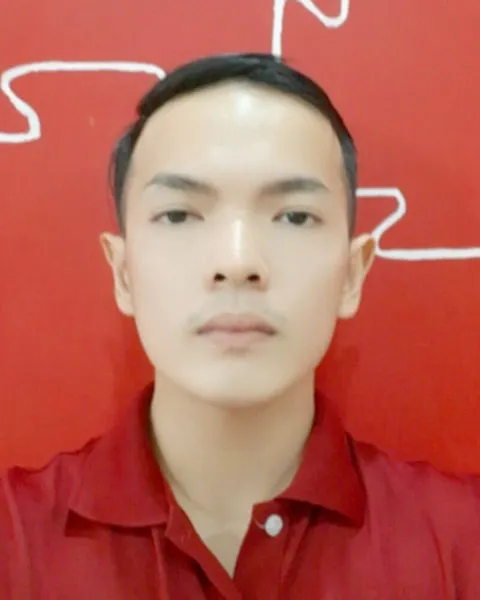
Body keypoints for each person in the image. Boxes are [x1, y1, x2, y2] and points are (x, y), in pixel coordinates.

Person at [0, 52, 479, 599]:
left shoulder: (462, 541)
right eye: (179, 214)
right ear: (123, 272)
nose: (237, 261)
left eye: (294, 216)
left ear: (352, 274)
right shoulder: (14, 544)